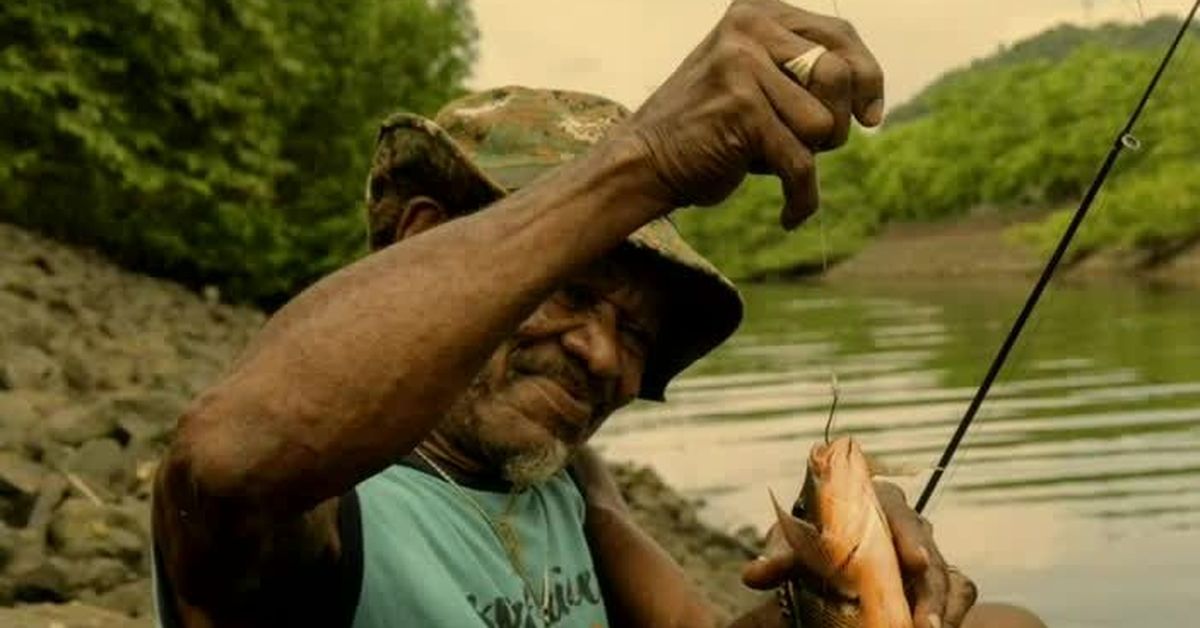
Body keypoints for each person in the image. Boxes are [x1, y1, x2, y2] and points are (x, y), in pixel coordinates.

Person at [151, 1, 1045, 626]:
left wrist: (837, 588)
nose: (603, 354)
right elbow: (222, 465)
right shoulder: (322, 510)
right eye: (574, 288)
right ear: (421, 237)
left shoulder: (567, 486)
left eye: (640, 333)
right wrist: (648, 159)